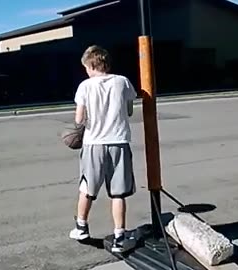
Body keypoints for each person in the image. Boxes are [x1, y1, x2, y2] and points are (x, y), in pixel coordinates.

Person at [69, 45, 137, 253]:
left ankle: (81, 226)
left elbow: (79, 119)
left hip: (93, 144)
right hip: (118, 141)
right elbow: (129, 110)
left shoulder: (85, 86)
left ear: (91, 65)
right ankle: (119, 237)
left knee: (87, 187)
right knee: (118, 193)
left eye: (86, 68)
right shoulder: (122, 82)